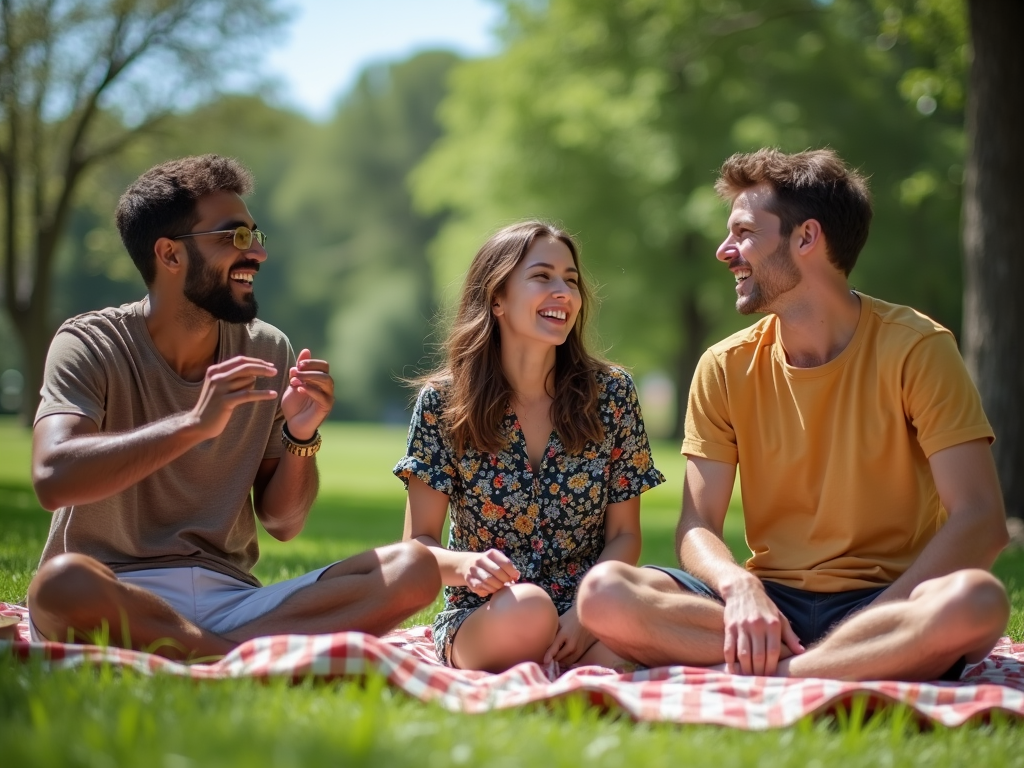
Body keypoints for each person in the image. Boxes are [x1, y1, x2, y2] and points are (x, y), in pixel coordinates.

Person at [576, 148, 1010, 682]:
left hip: (889, 599)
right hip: (765, 603)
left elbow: (981, 520)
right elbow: (696, 525)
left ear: (806, 238)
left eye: (743, 232)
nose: (724, 250)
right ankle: (844, 665)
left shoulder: (917, 347)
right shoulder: (724, 364)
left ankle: (783, 671)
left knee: (978, 600)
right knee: (603, 594)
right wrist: (740, 589)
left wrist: (876, 620)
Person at [27, 155, 439, 660]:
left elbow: (283, 523)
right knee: (59, 586)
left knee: (415, 568)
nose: (258, 253)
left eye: (255, 234)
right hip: (116, 590)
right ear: (169, 255)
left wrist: (301, 438)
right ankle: (235, 655)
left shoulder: (267, 349)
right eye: (235, 237)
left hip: (235, 600)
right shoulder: (89, 343)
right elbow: (53, 477)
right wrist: (193, 425)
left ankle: (206, 650)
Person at [394, 221, 665, 672]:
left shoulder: (612, 394)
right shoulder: (444, 403)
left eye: (571, 280)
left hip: (590, 611)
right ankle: (566, 659)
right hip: (492, 613)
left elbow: (624, 536)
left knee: (648, 607)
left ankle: (578, 657)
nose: (563, 292)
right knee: (531, 610)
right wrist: (464, 567)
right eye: (542, 276)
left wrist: (583, 613)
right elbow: (417, 544)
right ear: (496, 297)